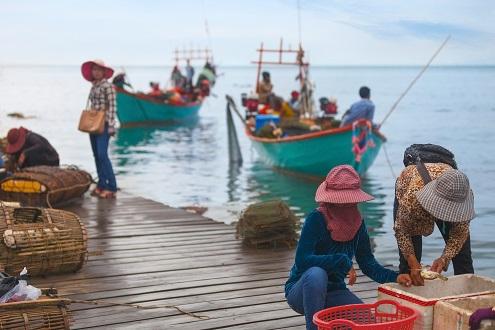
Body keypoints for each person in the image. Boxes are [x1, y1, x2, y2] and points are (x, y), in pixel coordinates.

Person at [285, 165, 411, 330]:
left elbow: (367, 263)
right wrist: (341, 261)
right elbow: (302, 261)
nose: (345, 206)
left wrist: (395, 277)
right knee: (317, 274)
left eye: (349, 202)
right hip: (302, 290)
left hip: (334, 291)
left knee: (368, 324)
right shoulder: (316, 218)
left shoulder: (358, 223)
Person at [394, 165, 475, 286]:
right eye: (444, 207)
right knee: (410, 267)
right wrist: (412, 262)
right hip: (413, 191)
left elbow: (459, 234)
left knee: (463, 260)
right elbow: (401, 230)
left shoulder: (463, 195)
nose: (446, 212)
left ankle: (468, 299)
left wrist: (444, 259)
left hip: (444, 188)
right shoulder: (413, 196)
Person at [81, 59, 118, 199]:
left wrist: (111, 125)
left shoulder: (108, 86)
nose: (96, 72)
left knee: (103, 155)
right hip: (93, 123)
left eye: (98, 70)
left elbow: (113, 106)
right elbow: (92, 104)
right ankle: (101, 184)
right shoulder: (94, 86)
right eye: (94, 70)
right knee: (96, 155)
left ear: (104, 72)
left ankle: (112, 187)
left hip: (105, 124)